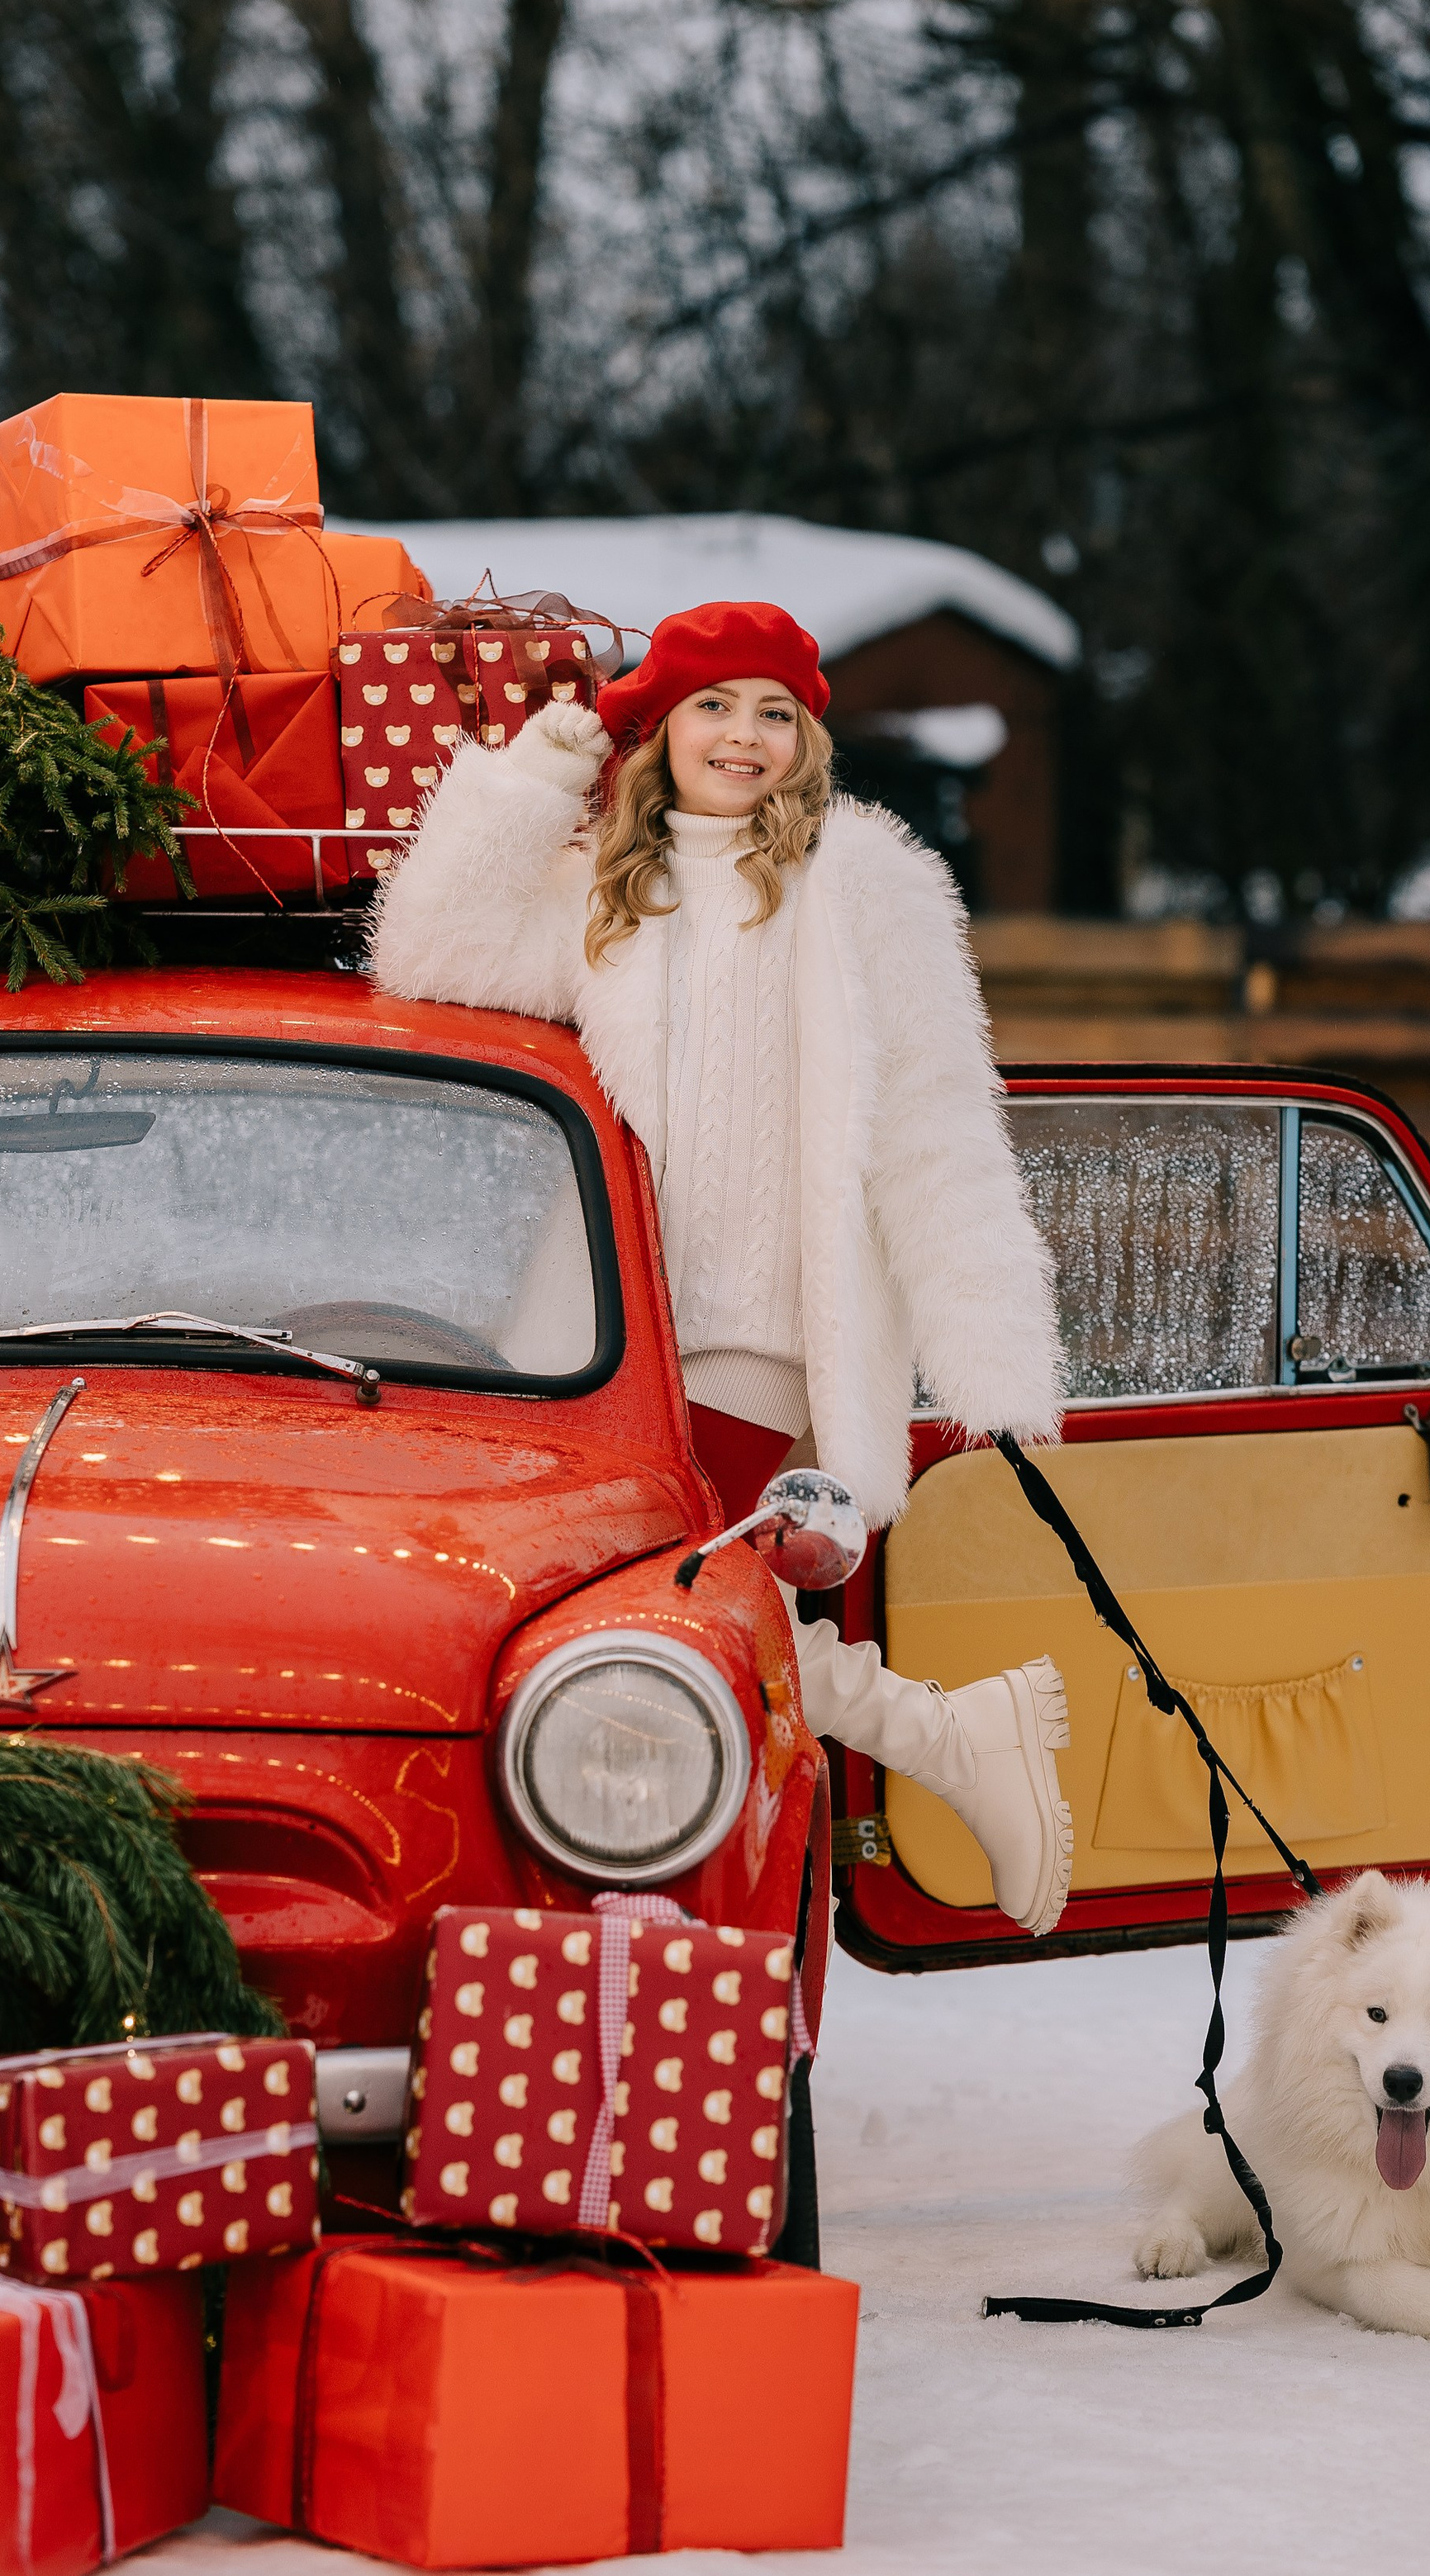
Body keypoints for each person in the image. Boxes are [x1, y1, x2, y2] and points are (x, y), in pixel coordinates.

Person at [371, 599, 1071, 1933]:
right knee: (661, 1625)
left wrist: (988, 1345)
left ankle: (923, 1753)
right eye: (711, 706)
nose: (742, 737)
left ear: (806, 737)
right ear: (661, 726)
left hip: (762, 1329)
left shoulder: (865, 885)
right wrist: (537, 773)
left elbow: (935, 1123)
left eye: (772, 712)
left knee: (685, 1615)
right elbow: (427, 957)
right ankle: (946, 1736)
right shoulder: (608, 890)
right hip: (606, 1341)